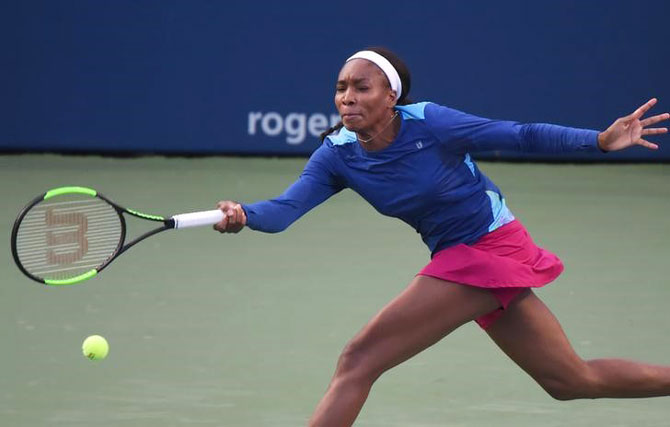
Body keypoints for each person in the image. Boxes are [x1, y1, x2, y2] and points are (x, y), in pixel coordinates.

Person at [213, 47, 670, 427]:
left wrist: (599, 141)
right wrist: (243, 214)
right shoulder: (337, 156)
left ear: (391, 95)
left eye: (360, 87)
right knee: (571, 382)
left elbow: (519, 135)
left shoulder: (430, 123)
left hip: (490, 247)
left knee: (358, 361)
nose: (347, 97)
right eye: (341, 88)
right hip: (463, 256)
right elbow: (284, 212)